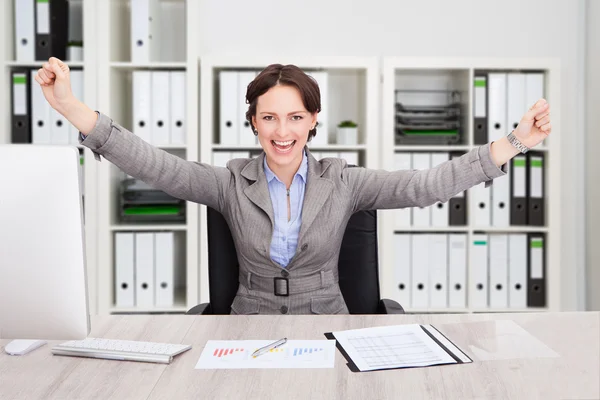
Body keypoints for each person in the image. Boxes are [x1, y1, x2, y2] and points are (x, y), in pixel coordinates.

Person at [35, 57, 552, 315]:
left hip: (328, 321)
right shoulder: (227, 183)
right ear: (254, 123)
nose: (283, 131)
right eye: (270, 118)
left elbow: (425, 184)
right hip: (247, 321)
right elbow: (155, 165)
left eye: (295, 117)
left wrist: (513, 142)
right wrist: (74, 111)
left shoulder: (345, 182)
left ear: (312, 122)